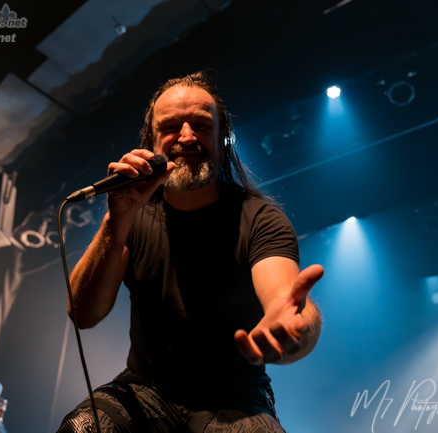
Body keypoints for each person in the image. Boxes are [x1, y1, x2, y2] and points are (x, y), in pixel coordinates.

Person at [58, 71, 324, 433]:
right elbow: (83, 314)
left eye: (200, 124)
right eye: (170, 127)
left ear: (222, 138)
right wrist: (114, 222)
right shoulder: (131, 218)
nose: (186, 136)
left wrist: (296, 326)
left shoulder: (259, 219)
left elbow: (284, 298)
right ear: (152, 142)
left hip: (235, 397)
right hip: (146, 389)